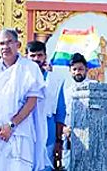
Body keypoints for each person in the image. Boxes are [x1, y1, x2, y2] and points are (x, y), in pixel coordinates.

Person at [0, 29, 46, 171]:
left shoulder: (30, 68)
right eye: (1, 44)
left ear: (18, 44)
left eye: (10, 42)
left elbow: (31, 101)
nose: (6, 47)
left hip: (20, 133)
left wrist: (11, 125)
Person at [26, 41, 66, 171]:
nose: (36, 59)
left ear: (45, 56)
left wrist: (59, 141)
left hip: (48, 131)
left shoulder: (55, 80)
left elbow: (60, 113)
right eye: (33, 56)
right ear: (26, 56)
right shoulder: (20, 78)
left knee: (45, 165)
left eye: (40, 55)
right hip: (24, 128)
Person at [61, 53, 95, 170]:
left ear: (86, 69)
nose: (77, 72)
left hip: (91, 134)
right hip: (70, 136)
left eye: (80, 69)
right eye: (74, 69)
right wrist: (65, 129)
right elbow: (63, 113)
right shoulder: (66, 91)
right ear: (70, 71)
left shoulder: (94, 87)